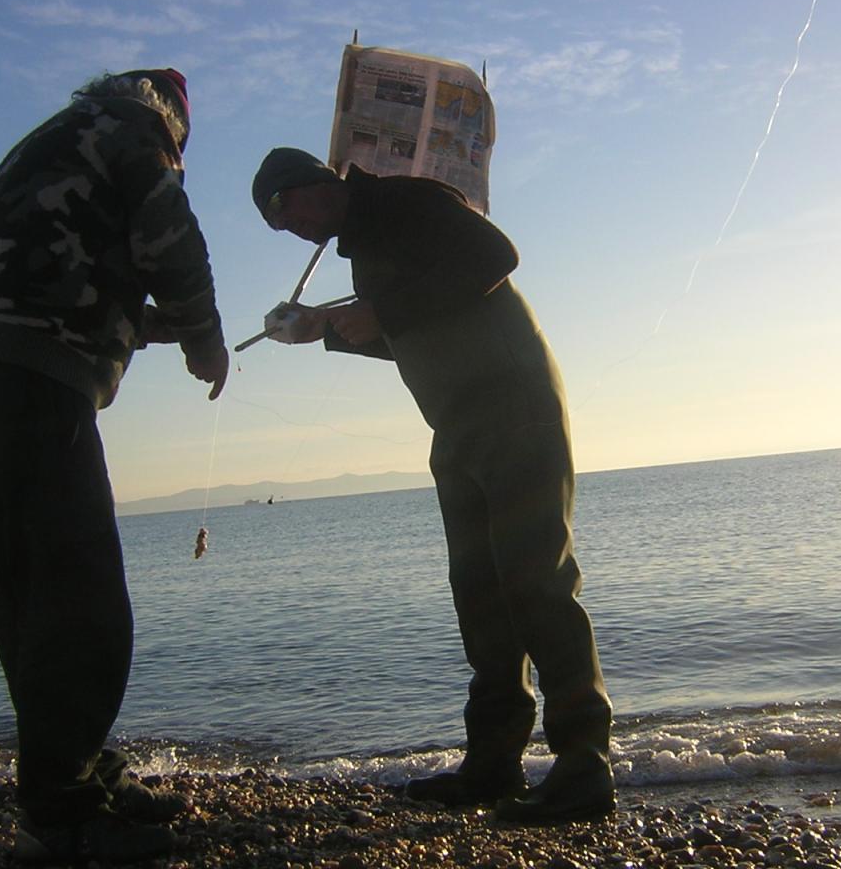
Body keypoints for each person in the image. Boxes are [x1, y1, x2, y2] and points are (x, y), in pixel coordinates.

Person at [250, 148, 615, 823]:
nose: (290, 230)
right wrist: (325, 329)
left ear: (313, 186)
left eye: (285, 211)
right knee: (480, 594)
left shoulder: (407, 201)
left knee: (536, 580)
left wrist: (380, 312)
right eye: (277, 226)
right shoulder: (364, 248)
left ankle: (584, 766)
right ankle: (493, 764)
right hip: (456, 426)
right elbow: (421, 327)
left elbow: (495, 257)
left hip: (514, 408)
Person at [0, 69, 229, 863]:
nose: (176, 157)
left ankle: (81, 777)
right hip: (35, 387)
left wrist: (149, 326)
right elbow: (173, 237)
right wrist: (205, 337)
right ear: (170, 120)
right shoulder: (136, 135)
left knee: (29, 605)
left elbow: (59, 268)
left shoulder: (47, 143)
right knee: (86, 607)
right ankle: (60, 817)